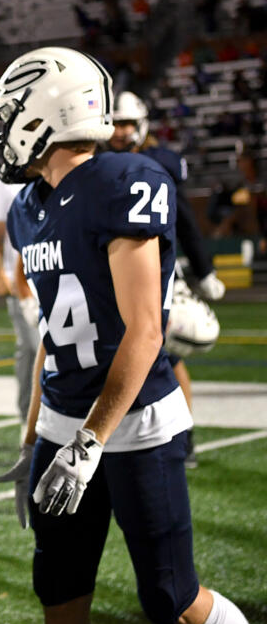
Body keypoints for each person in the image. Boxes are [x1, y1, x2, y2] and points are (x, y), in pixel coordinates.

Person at [0, 47, 262, 624]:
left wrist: (91, 440)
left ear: (42, 114)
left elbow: (144, 331)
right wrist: (34, 434)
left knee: (171, 597)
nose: (0, 130)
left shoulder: (122, 181)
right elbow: (51, 337)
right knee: (58, 594)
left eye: (9, 115)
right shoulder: (31, 208)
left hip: (132, 425)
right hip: (63, 427)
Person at [109, 91, 225, 466]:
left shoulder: (160, 161)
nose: (120, 131)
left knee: (166, 357)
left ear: (141, 124)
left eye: (127, 124)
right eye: (116, 123)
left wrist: (203, 270)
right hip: (113, 271)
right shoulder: (100, 161)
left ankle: (183, 433)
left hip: (157, 271)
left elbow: (186, 217)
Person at [0, 177, 41, 424]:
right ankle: (33, 423)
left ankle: (29, 421)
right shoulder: (7, 182)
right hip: (23, 281)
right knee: (39, 351)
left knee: (30, 354)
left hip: (53, 274)